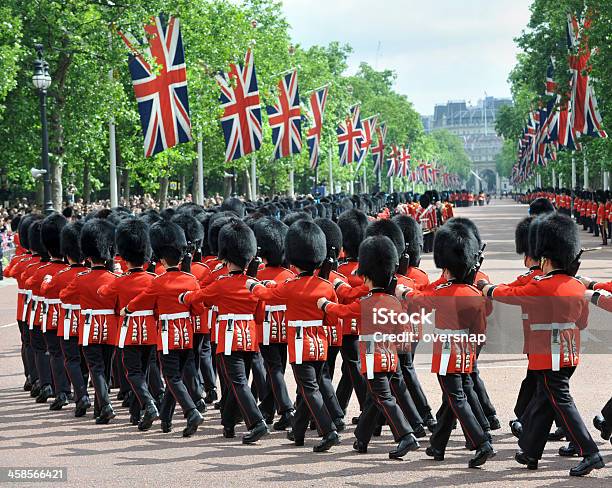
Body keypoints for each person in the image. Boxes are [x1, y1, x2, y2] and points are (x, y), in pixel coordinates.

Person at [480, 213, 604, 477]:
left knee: (560, 401)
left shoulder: (541, 285)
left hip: (548, 354)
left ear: (545, 259)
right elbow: (581, 323)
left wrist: (487, 288)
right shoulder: (575, 286)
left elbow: (510, 294)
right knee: (543, 401)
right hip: (570, 354)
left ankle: (590, 451)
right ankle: (531, 452)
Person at [398, 222, 496, 468]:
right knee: (455, 396)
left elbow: (418, 298)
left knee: (456, 397)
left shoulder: (443, 292)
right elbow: (481, 326)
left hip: (446, 352)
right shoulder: (474, 294)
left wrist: (401, 291)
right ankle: (438, 445)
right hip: (467, 349)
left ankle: (481, 441)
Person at [319, 235, 420, 459]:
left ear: (366, 277)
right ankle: (361, 438)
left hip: (373, 358)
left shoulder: (365, 303)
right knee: (374, 398)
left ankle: (406, 435)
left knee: (383, 397)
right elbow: (404, 332)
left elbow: (342, 312)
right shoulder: (395, 302)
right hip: (391, 356)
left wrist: (325, 304)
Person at [247, 220, 341, 452]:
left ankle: (328, 431)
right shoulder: (325, 286)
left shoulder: (291, 286)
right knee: (312, 385)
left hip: (301, 343)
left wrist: (251, 285)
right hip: (321, 342)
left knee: (308, 388)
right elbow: (331, 319)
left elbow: (267, 295)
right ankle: (298, 431)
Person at [181, 220, 269, 444]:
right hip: (249, 336)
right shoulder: (253, 283)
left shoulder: (221, 283)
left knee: (236, 381)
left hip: (229, 337)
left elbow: (200, 297)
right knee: (236, 382)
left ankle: (256, 422)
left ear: (227, 258)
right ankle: (229, 423)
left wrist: (184, 297)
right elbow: (259, 316)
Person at [122, 220, 204, 437]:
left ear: (161, 258)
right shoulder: (191, 279)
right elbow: (198, 309)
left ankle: (191, 411)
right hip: (187, 333)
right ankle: (166, 420)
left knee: (171, 377)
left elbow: (142, 300)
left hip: (168, 334)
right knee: (174, 377)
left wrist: (127, 310)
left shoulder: (158, 282)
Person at [97, 217, 160, 430]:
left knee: (132, 373)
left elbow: (103, 293)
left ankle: (149, 403)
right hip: (151, 330)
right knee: (144, 371)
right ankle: (136, 414)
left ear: (125, 256)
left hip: (129, 330)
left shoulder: (120, 280)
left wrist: (112, 272)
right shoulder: (153, 279)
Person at [60, 218, 119, 424]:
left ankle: (106, 404)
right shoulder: (114, 278)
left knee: (96, 368)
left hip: (89, 327)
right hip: (110, 326)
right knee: (106, 366)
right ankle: (100, 410)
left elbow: (65, 296)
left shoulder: (81, 278)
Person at [253, 217, 295, 431]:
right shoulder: (290, 274)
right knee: (277, 368)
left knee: (273, 368)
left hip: (267, 325)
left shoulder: (258, 274)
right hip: (285, 325)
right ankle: (268, 410)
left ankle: (286, 409)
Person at [54, 221, 91, 417]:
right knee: (85, 360)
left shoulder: (61, 275)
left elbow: (55, 293)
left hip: (69, 321)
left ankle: (82, 395)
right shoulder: (89, 274)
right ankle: (82, 392)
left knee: (71, 359)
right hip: (87, 321)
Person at [37, 213, 73, 410]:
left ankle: (62, 392)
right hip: (72, 318)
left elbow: (39, 288)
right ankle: (73, 389)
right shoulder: (70, 271)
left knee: (56, 354)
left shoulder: (42, 271)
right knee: (72, 356)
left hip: (51, 316)